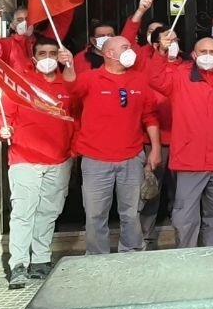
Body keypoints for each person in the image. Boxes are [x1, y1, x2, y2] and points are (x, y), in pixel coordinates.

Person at [0, 9, 75, 289]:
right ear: (34, 57)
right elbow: (0, 117)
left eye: (52, 54)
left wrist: (70, 67)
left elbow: (79, 115)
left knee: (49, 212)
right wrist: (2, 129)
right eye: (42, 54)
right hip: (25, 159)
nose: (47, 59)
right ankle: (18, 264)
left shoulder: (67, 85)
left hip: (59, 160)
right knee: (23, 213)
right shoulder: (22, 84)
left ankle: (41, 260)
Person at [151, 33, 213, 248]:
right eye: (203, 52)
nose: (208, 56)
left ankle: (211, 258)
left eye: (212, 52)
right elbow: (154, 79)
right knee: (184, 217)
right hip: (189, 162)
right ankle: (187, 259)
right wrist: (161, 51)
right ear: (194, 55)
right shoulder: (180, 76)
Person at [68, 34, 162, 255]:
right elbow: (70, 91)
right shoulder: (89, 79)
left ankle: (131, 253)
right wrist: (68, 65)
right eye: (125, 47)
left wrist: (155, 148)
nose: (131, 50)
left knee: (130, 212)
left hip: (131, 158)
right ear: (109, 53)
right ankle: (97, 257)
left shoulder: (139, 80)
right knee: (94, 214)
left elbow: (150, 116)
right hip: (95, 160)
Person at [139, 20, 177, 249]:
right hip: (154, 141)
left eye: (174, 40)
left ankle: (182, 235)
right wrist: (161, 53)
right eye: (166, 40)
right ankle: (147, 238)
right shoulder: (148, 65)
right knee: (151, 191)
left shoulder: (186, 67)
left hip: (182, 140)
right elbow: (153, 79)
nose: (171, 43)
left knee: (181, 194)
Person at [74, 3, 144, 74]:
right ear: (93, 40)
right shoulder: (81, 59)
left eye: (110, 35)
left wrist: (140, 11)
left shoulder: (122, 53)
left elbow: (130, 30)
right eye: (101, 36)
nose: (106, 38)